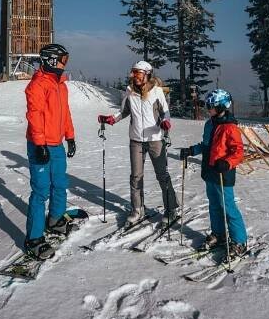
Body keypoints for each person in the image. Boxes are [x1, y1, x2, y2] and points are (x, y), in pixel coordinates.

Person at [98, 60, 179, 227]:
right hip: (136, 140)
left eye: (138, 73)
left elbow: (166, 112)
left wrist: (165, 122)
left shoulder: (157, 92)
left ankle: (171, 209)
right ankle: (137, 210)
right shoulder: (129, 92)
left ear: (147, 74)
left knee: (162, 175)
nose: (134, 76)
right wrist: (111, 119)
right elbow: (123, 111)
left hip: (155, 139)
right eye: (133, 72)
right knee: (135, 177)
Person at [180, 88, 247, 257]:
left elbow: (238, 152)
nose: (208, 108)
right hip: (209, 171)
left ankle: (239, 241)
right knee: (214, 205)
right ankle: (219, 234)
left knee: (228, 208)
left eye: (211, 105)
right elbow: (206, 145)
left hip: (223, 173)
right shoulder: (209, 124)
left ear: (221, 106)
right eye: (208, 105)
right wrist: (191, 150)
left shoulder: (230, 127)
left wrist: (227, 163)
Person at [24, 43, 77, 260]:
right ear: (52, 60)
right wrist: (39, 144)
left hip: (57, 144)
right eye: (63, 59)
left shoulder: (60, 85)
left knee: (60, 183)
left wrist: (70, 136)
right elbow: (34, 115)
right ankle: (34, 238)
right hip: (41, 144)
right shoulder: (37, 85)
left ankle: (55, 219)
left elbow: (65, 114)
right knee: (40, 191)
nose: (65, 63)